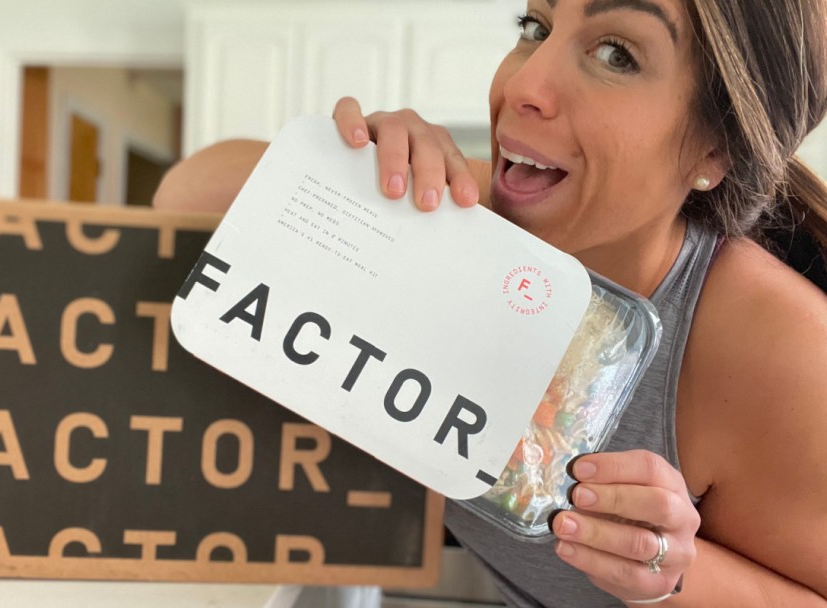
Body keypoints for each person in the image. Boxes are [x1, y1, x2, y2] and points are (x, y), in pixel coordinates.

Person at [155, 0, 827, 605]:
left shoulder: (782, 351)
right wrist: (349, 173)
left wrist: (675, 573)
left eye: (616, 53)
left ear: (717, 148)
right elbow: (181, 199)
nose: (522, 87)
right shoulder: (464, 224)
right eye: (535, 28)